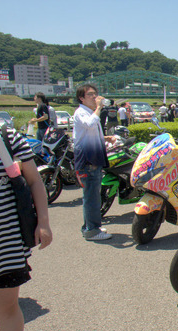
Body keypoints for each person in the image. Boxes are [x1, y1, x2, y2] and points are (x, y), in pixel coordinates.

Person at [0, 87, 53, 331]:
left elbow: (34, 182)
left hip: (3, 240)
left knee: (6, 305)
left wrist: (43, 222)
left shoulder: (6, 140)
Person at [73, 84, 114, 241]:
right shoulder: (81, 113)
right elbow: (90, 125)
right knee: (91, 198)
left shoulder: (89, 113)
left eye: (95, 94)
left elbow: (87, 134)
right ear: (81, 98)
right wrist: (98, 108)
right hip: (88, 161)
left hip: (94, 160)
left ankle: (90, 226)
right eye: (90, 94)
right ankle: (92, 231)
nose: (95, 96)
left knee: (93, 196)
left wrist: (105, 138)